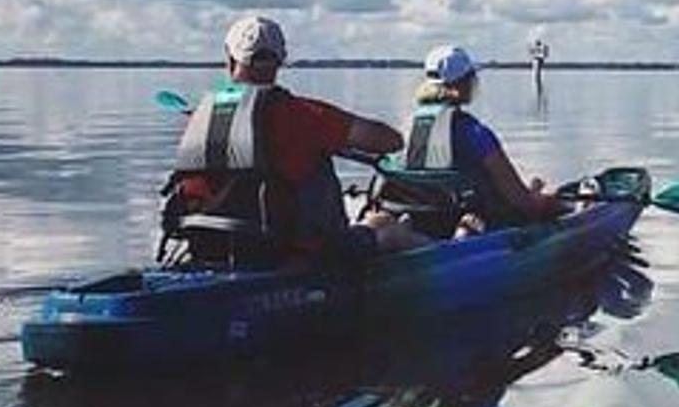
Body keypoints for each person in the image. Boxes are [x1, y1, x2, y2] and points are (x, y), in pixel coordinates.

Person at [162, 15, 418, 267]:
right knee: (386, 226)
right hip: (293, 256)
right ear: (280, 60)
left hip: (209, 248)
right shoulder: (304, 115)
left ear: (229, 60)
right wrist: (329, 139)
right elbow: (391, 141)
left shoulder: (200, 118)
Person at [379, 44, 564, 237]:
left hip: (423, 222)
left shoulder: (406, 128)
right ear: (465, 83)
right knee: (551, 198)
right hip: (476, 225)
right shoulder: (475, 134)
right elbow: (523, 203)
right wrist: (550, 201)